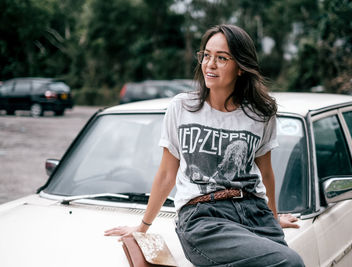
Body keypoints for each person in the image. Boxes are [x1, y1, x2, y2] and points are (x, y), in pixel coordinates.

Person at [105, 24, 304, 267]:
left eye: (221, 58)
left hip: (253, 210)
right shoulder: (182, 107)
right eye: (206, 55)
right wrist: (143, 225)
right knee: (290, 262)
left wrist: (272, 218)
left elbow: (266, 173)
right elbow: (167, 174)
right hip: (202, 216)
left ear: (241, 67)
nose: (210, 64)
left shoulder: (260, 113)